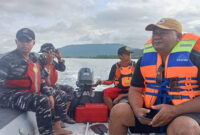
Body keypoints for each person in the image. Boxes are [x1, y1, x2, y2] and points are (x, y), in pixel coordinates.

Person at [109, 18, 200, 135]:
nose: (156, 36)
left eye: (163, 32)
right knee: (118, 111)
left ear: (178, 36)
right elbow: (135, 90)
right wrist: (137, 110)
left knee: (185, 126)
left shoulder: (195, 59)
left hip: (184, 113)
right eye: (155, 33)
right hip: (151, 112)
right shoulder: (144, 61)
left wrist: (174, 111)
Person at [0, 28, 72, 135]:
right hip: (9, 95)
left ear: (33, 43)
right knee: (42, 100)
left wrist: (49, 94)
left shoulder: (33, 58)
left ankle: (57, 126)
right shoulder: (7, 60)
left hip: (28, 91)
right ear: (16, 42)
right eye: (21, 41)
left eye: (28, 41)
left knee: (53, 95)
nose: (24, 44)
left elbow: (41, 79)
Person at [38, 43, 76, 124]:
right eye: (50, 53)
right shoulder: (39, 63)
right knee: (61, 94)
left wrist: (59, 58)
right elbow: (40, 78)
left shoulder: (53, 62)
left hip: (52, 85)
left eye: (53, 53)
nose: (52, 55)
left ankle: (64, 116)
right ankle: (55, 121)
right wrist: (48, 64)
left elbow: (62, 69)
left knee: (70, 89)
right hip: (43, 87)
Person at [96, 46, 135, 110]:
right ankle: (113, 112)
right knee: (106, 93)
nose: (129, 55)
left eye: (129, 54)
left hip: (132, 90)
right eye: (127, 54)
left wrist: (120, 96)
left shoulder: (135, 66)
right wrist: (102, 82)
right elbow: (110, 81)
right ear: (120, 56)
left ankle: (122, 97)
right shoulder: (115, 67)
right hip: (119, 89)